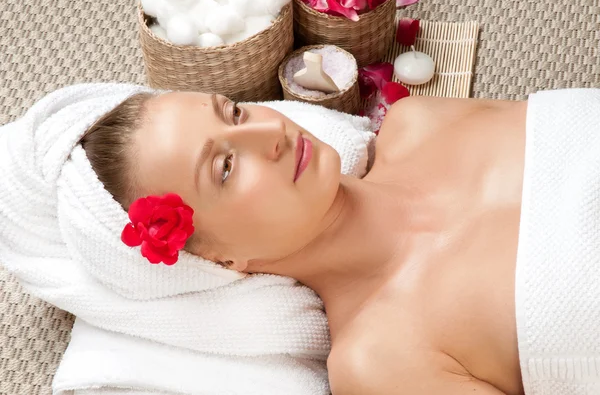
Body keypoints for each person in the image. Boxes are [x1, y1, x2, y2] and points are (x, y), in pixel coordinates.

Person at [80, 90, 529, 395]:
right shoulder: (380, 360)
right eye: (225, 168)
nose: (269, 134)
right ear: (219, 257)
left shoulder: (423, 120)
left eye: (235, 112)